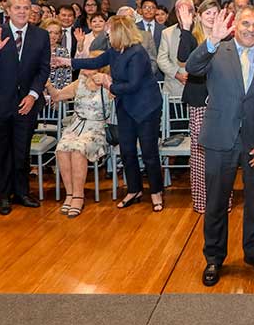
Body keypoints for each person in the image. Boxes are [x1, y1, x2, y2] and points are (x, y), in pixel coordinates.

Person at [185, 6, 254, 287]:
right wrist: (212, 40)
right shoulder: (217, 52)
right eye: (245, 24)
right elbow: (192, 67)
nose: (250, 29)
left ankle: (253, 254)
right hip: (219, 140)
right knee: (216, 203)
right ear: (235, 26)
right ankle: (214, 258)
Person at [59, 15, 165, 213]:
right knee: (127, 151)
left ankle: (156, 193)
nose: (106, 33)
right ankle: (134, 190)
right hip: (125, 107)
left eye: (109, 30)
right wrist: (65, 61)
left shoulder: (137, 53)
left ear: (119, 32)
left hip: (146, 108)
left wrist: (108, 83)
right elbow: (94, 62)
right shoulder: (114, 51)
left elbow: (133, 85)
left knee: (149, 153)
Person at [0, 0, 50, 215]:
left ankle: (22, 193)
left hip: (26, 104)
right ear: (7, 10)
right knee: (1, 152)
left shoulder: (41, 36)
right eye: (17, 7)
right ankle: (4, 196)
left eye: (26, 8)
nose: (22, 11)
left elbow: (43, 69)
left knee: (21, 151)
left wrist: (33, 95)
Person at [178, 0, 233, 214]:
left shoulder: (228, 39)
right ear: (199, 17)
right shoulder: (193, 39)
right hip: (199, 102)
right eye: (207, 13)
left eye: (215, 12)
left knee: (222, 153)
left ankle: (223, 201)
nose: (211, 16)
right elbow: (183, 58)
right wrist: (185, 28)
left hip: (222, 103)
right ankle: (202, 201)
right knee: (200, 154)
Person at [45, 51, 112, 219]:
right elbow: (58, 96)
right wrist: (48, 85)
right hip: (75, 126)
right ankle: (69, 194)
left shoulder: (109, 82)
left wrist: (107, 83)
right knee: (62, 148)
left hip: (96, 128)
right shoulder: (79, 83)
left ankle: (78, 196)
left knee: (77, 149)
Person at [157, 0, 192, 99]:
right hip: (174, 88)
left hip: (198, 88)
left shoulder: (200, 31)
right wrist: (177, 74)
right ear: (176, 13)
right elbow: (161, 59)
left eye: (188, 11)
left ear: (193, 12)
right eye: (180, 11)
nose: (183, 15)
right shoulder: (167, 33)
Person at [136, 0, 164, 80]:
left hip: (160, 73)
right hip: (139, 72)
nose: (149, 10)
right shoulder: (134, 28)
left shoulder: (164, 29)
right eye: (145, 7)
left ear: (156, 10)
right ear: (140, 10)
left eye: (152, 7)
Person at [42, 19, 72, 90]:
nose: (53, 36)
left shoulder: (63, 51)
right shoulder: (35, 49)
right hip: (38, 93)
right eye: (50, 32)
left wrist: (65, 93)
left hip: (59, 93)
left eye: (56, 33)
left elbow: (68, 74)